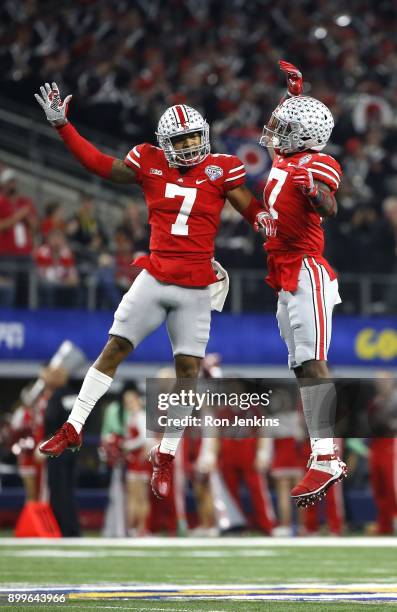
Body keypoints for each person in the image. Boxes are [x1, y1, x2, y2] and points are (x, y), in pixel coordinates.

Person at [35, 82, 263, 499]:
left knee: (188, 374)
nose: (192, 145)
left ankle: (166, 454)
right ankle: (73, 427)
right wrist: (63, 126)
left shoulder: (221, 168)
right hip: (156, 276)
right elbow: (100, 165)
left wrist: (270, 224)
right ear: (165, 143)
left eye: (196, 137)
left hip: (196, 287)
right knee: (114, 349)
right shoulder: (148, 160)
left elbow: (251, 208)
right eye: (183, 140)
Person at [256, 60, 347, 508]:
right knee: (299, 367)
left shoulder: (317, 164)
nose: (277, 131)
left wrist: (316, 194)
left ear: (307, 137)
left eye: (289, 127)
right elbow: (280, 128)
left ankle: (328, 457)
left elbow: (330, 205)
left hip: (307, 269)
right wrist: (293, 94)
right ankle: (321, 454)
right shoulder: (285, 155)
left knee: (313, 362)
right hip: (285, 275)